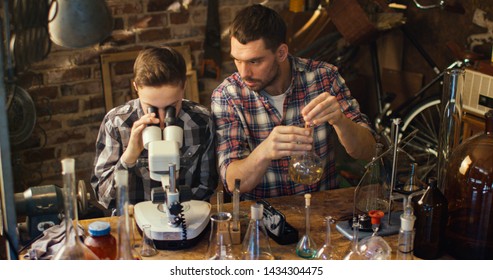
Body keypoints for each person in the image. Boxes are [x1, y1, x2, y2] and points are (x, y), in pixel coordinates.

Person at [211, 4, 376, 200]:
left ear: (281, 53)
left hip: (321, 206)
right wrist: (264, 151)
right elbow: (233, 184)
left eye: (254, 61)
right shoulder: (227, 96)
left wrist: (341, 121)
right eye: (237, 60)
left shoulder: (324, 78)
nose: (244, 73)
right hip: (262, 216)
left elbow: (369, 151)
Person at [91, 46, 218, 209]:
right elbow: (104, 198)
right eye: (151, 107)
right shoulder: (116, 123)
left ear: (183, 86)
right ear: (136, 87)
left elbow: (206, 187)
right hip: (134, 224)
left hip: (186, 217)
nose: (162, 117)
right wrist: (129, 156)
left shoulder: (201, 121)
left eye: (171, 107)